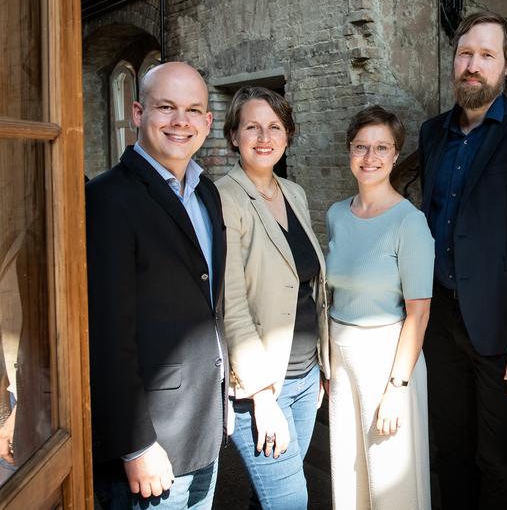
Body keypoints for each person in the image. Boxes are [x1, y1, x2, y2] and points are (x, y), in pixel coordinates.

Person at [417, 11, 507, 509]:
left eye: (486, 55)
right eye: (464, 54)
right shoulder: (432, 133)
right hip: (440, 322)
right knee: (451, 453)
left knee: (501, 462)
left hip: (503, 331)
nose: (472, 65)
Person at [86, 62, 227, 509]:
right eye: (166, 107)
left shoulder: (207, 192)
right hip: (153, 445)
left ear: (208, 121)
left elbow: (207, 306)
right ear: (137, 112)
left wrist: (220, 400)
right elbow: (105, 335)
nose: (180, 121)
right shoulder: (108, 198)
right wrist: (136, 445)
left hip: (203, 426)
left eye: (192, 110)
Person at [216, 86, 328, 510]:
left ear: (288, 135)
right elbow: (231, 301)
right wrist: (261, 395)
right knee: (290, 500)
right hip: (263, 385)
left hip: (303, 374)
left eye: (274, 127)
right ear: (233, 136)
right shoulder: (225, 198)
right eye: (252, 126)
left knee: (270, 497)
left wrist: (320, 365)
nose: (264, 137)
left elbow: (308, 288)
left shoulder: (293, 192)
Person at [326, 106, 434, 510]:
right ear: (349, 151)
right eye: (360, 147)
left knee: (390, 481)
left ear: (394, 154)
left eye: (381, 148)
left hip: (389, 359)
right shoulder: (336, 214)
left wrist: (396, 388)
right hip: (341, 358)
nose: (369, 158)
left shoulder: (410, 223)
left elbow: (418, 313)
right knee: (350, 472)